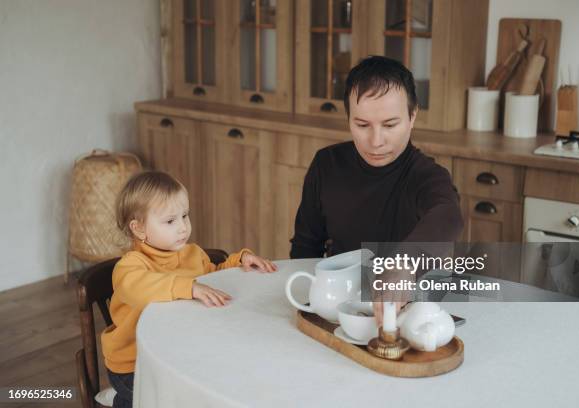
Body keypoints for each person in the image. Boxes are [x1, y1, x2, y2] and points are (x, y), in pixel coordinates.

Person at [290, 55, 463, 324]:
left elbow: (448, 215)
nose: (376, 141)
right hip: (337, 311)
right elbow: (304, 247)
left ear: (412, 116)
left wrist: (403, 265)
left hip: (403, 315)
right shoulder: (327, 164)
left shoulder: (427, 176)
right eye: (362, 125)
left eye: (390, 125)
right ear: (349, 119)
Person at [101, 171, 276, 408]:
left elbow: (212, 277)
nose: (183, 227)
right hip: (135, 363)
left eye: (185, 216)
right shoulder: (131, 266)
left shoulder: (192, 254)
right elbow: (140, 288)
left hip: (179, 351)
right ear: (139, 229)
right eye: (170, 221)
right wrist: (189, 287)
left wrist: (238, 261)